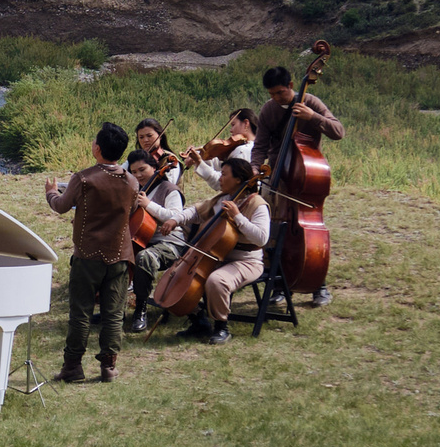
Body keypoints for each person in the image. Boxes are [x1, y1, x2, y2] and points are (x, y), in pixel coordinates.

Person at [43, 122, 137, 384]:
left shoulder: (83, 178)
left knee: (81, 313)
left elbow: (61, 206)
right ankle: (108, 367)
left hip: (87, 256)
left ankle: (73, 367)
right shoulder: (131, 181)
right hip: (119, 254)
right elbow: (130, 212)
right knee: (113, 314)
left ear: (97, 148)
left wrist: (51, 193)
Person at [143, 150, 269, 344]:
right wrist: (175, 220)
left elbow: (261, 238)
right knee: (177, 279)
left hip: (246, 261)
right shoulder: (221, 200)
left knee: (216, 281)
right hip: (216, 258)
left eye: (224, 174)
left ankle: (221, 327)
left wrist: (238, 217)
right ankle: (199, 320)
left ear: (238, 179)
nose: (219, 178)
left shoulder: (257, 204)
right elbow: (194, 212)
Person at [250, 63, 342, 305]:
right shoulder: (269, 110)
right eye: (271, 94)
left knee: (309, 234)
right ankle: (280, 284)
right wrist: (254, 167)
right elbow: (259, 145)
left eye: (280, 92)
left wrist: (313, 117)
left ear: (291, 85)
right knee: (275, 230)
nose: (276, 98)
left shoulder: (310, 102)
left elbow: (338, 131)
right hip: (278, 177)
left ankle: (318, 284)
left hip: (304, 176)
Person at [125, 149, 189, 334]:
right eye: (133, 172)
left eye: (142, 170)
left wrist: (149, 205)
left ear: (154, 168)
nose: (137, 175)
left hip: (170, 243)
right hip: (142, 240)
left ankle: (140, 309)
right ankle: (111, 310)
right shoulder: (135, 190)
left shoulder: (170, 190)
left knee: (144, 258)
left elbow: (177, 216)